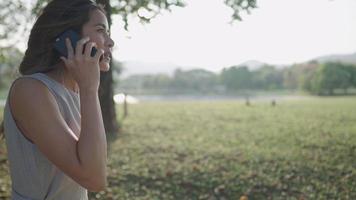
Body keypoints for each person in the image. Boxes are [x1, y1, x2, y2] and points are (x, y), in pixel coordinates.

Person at [0, 0, 114, 199]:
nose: (110, 42)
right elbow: (94, 178)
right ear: (68, 38)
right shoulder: (31, 90)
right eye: (100, 30)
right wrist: (89, 89)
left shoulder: (77, 92)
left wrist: (87, 90)